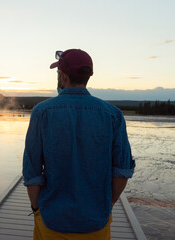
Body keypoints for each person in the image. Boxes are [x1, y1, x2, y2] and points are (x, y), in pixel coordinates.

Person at [22, 49, 135, 240]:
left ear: (63, 76)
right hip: (96, 223)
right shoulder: (113, 114)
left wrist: (36, 207)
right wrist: (107, 204)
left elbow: (32, 172)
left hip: (52, 222)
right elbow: (122, 171)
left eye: (58, 73)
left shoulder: (41, 112)